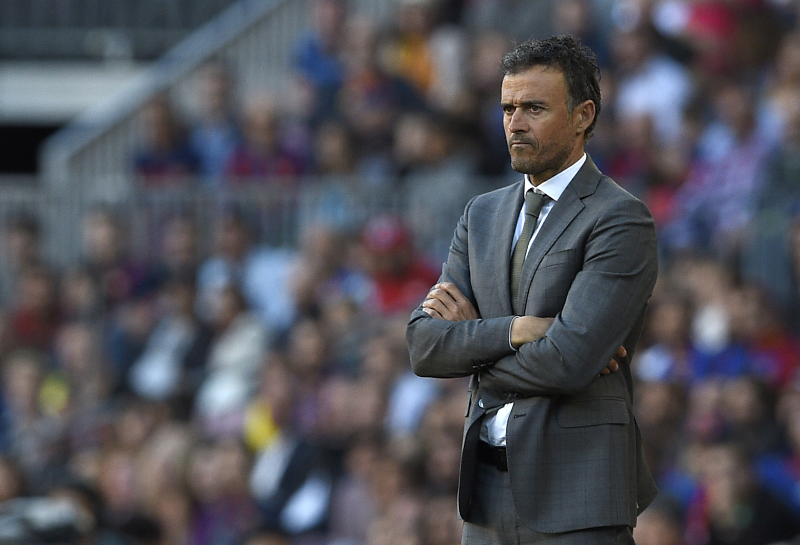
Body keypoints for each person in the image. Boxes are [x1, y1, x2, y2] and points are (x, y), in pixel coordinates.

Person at [406, 35, 659, 544]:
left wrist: (474, 344)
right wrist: (521, 330)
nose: (515, 124)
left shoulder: (620, 218)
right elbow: (424, 345)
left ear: (584, 115)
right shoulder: (481, 214)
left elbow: (569, 360)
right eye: (507, 108)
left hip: (579, 495)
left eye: (534, 108)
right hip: (484, 497)